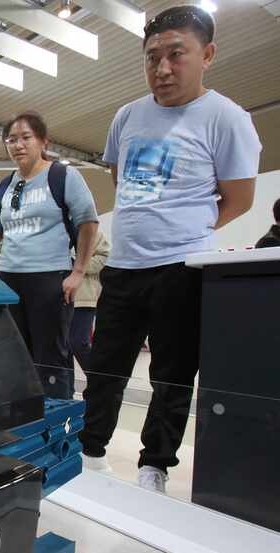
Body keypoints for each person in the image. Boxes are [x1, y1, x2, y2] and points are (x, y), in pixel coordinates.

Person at [79, 5, 262, 493]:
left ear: (207, 54)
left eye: (176, 54)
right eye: (152, 57)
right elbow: (121, 181)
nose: (162, 69)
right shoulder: (127, 116)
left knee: (173, 375)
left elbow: (240, 199)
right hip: (123, 267)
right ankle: (90, 453)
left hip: (183, 268)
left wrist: (186, 229)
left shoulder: (226, 118)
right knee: (105, 371)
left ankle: (153, 467)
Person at [0, 111, 100, 400]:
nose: (18, 145)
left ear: (43, 141)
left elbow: (88, 223)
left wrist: (78, 272)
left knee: (52, 357)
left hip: (50, 278)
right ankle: (23, 417)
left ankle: (57, 422)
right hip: (9, 279)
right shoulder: (3, 187)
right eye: (11, 139)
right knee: (13, 354)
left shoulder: (63, 176)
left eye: (25, 138)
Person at [70, 231, 110, 373]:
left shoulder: (93, 232)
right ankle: (64, 389)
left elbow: (105, 258)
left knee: (79, 343)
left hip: (83, 298)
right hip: (54, 295)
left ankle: (99, 383)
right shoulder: (54, 227)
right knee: (60, 346)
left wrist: (76, 264)